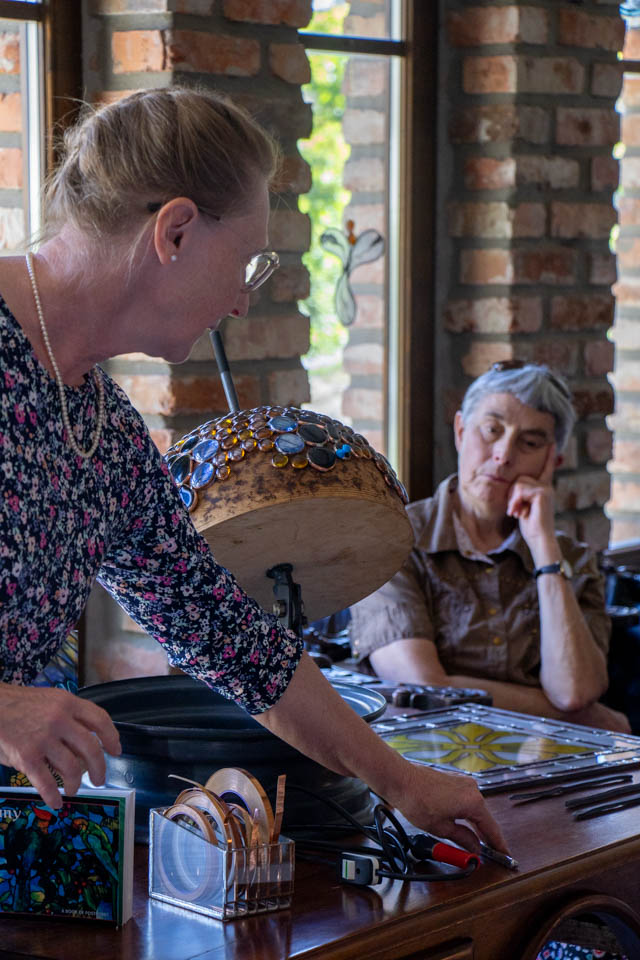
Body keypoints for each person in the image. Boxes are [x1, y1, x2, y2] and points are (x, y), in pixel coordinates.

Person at [0, 86, 506, 854]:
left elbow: (228, 635)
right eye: (246, 263)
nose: (241, 302)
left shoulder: (103, 429)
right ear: (175, 231)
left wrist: (402, 781)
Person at [350, 361, 630, 734]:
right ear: (461, 431)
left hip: (544, 758)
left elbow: (575, 691)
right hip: (424, 752)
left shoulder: (572, 559)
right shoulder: (393, 539)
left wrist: (545, 550)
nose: (503, 455)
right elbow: (423, 686)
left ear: (553, 461)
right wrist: (572, 718)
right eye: (492, 430)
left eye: (529, 443)